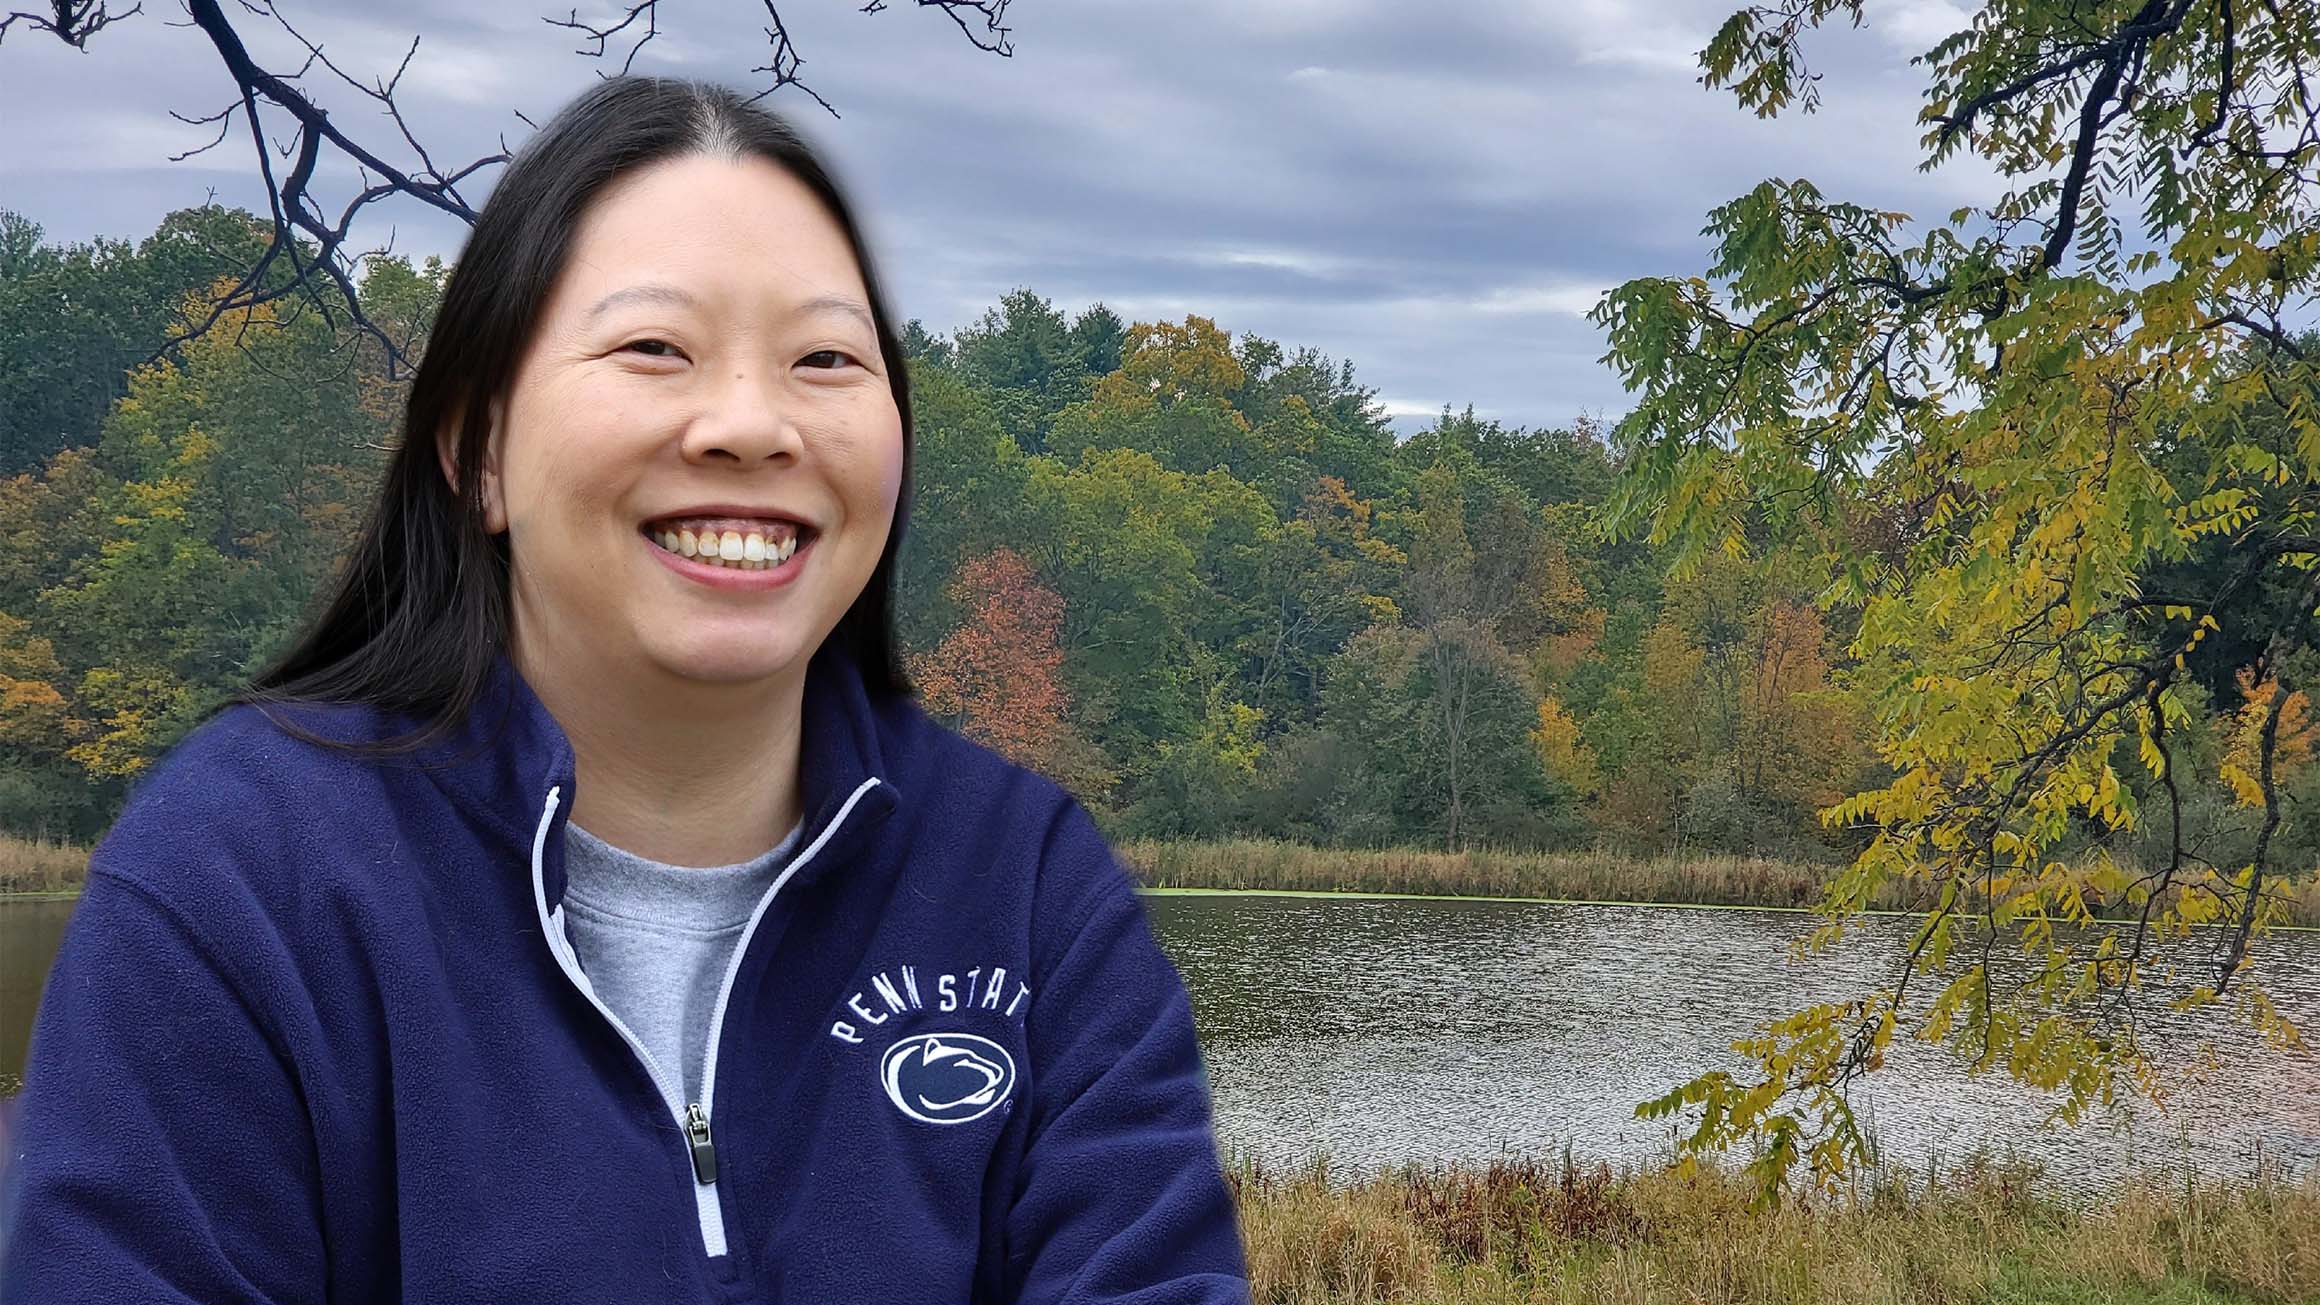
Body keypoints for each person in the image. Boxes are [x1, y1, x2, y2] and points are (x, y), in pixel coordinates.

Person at [0, 75, 1251, 1303]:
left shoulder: (1025, 885)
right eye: (656, 347)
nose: (753, 424)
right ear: (475, 451)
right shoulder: (243, 876)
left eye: (824, 357)